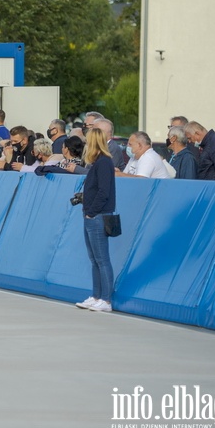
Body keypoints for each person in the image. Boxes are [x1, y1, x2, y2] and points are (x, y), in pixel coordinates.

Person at [75, 127, 117, 313]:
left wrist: (91, 212)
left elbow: (104, 191)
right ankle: (96, 295)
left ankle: (106, 300)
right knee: (94, 259)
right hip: (91, 214)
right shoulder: (97, 163)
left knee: (102, 259)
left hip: (97, 216)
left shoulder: (104, 163)